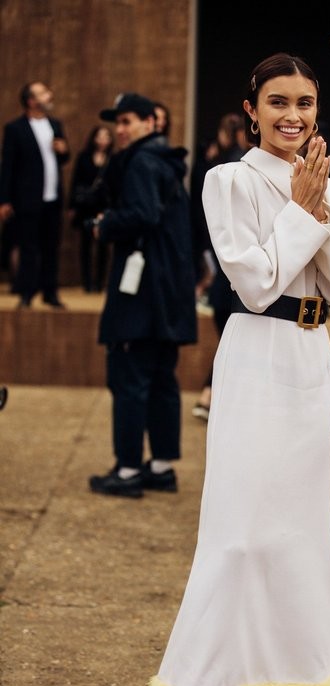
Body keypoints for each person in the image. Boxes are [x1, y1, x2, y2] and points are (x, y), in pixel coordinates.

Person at [144, 52, 330, 686]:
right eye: (278, 101)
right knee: (238, 534)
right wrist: (305, 212)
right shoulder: (228, 179)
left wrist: (324, 210)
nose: (294, 115)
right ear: (251, 106)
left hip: (311, 362)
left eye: (305, 102)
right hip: (254, 361)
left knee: (295, 531)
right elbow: (251, 280)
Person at [88, 93, 197, 497]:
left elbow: (142, 215)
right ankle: (161, 466)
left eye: (128, 120)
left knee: (129, 379)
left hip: (142, 296)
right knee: (161, 380)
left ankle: (130, 470)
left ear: (151, 121)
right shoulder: (166, 160)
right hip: (167, 294)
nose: (121, 129)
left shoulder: (140, 162)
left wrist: (104, 224)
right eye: (117, 122)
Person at [190, 112, 249, 421]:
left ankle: (210, 394)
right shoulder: (232, 170)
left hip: (225, 280)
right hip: (233, 284)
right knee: (232, 340)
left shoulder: (220, 165)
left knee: (230, 340)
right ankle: (210, 394)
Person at [0, 81, 70, 308]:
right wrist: (5, 199)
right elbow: (8, 166)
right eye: (42, 93)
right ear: (31, 101)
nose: (49, 95)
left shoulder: (55, 125)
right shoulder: (15, 129)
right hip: (28, 198)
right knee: (29, 247)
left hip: (52, 196)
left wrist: (63, 151)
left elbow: (62, 159)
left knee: (51, 246)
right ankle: (27, 292)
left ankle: (50, 292)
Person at [68, 125, 114, 292]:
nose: (102, 140)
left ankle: (99, 282)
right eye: (99, 136)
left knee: (103, 246)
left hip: (104, 206)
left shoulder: (112, 159)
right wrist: (72, 205)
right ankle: (87, 282)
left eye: (106, 136)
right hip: (86, 207)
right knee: (85, 246)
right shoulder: (84, 157)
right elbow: (75, 181)